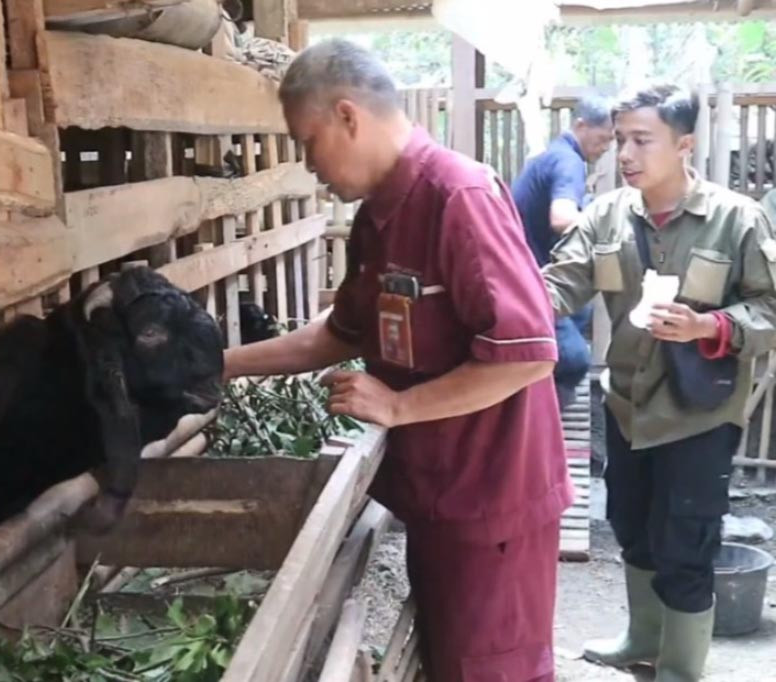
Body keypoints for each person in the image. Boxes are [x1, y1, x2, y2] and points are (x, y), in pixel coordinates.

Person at [223, 39, 572, 682]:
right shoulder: (377, 219)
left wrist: (398, 405)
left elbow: (527, 355)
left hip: (490, 503)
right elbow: (339, 334)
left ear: (349, 116)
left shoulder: (459, 196)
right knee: (450, 665)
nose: (308, 165)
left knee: (492, 672)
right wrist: (221, 364)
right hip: (440, 495)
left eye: (308, 140)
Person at [542, 84, 776, 681]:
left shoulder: (736, 219)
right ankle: (641, 637)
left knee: (687, 544)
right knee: (632, 526)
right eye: (621, 139)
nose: (625, 153)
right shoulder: (606, 215)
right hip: (627, 406)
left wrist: (709, 324)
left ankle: (680, 668)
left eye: (642, 140)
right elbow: (557, 285)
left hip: (699, 413)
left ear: (685, 145)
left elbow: (769, 309)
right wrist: (502, 299)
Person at [511, 95, 615, 407]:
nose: (607, 148)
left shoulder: (553, 156)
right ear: (580, 126)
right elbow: (562, 218)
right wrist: (609, 224)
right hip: (529, 279)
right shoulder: (568, 162)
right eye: (603, 139)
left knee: (584, 308)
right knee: (574, 361)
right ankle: (545, 417)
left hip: (529, 269)